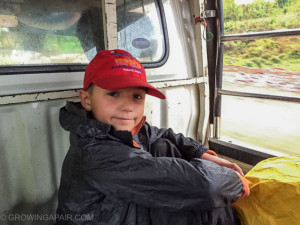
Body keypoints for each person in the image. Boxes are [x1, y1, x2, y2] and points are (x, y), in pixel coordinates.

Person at [55, 49, 249, 225]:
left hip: (127, 213)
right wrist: (236, 181)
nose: (128, 107)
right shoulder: (95, 153)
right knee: (199, 194)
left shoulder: (121, 129)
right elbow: (206, 186)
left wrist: (203, 152)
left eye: (136, 97)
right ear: (86, 100)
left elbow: (162, 134)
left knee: (163, 146)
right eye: (113, 94)